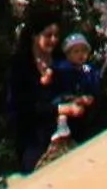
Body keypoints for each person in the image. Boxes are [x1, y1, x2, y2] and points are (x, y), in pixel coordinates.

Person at [5, 18, 64, 173]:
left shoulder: (61, 60)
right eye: (48, 35)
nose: (53, 40)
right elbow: (22, 105)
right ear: (34, 36)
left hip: (62, 132)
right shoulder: (20, 66)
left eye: (56, 35)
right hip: (32, 136)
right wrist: (59, 109)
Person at [52, 31, 104, 143]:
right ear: (68, 54)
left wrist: (87, 98)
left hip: (84, 104)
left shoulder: (89, 70)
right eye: (76, 51)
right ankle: (62, 126)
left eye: (83, 51)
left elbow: (94, 89)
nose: (80, 54)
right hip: (66, 100)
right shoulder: (62, 69)